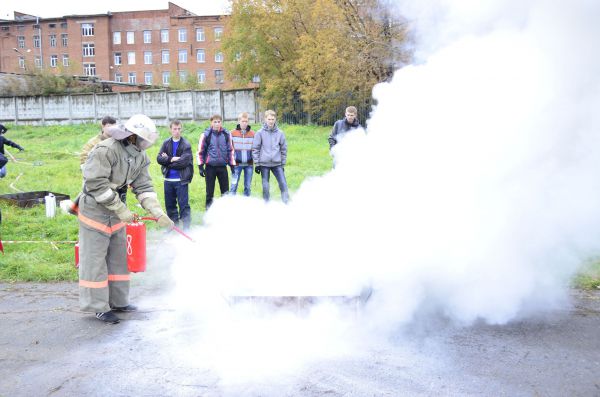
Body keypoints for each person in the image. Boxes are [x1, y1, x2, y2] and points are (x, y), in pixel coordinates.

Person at [78, 114, 174, 324]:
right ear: (132, 136)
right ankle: (98, 307)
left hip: (116, 211)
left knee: (118, 259)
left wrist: (157, 211)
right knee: (95, 261)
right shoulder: (106, 150)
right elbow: (96, 185)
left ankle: (119, 301)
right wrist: (121, 209)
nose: (147, 144)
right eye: (144, 139)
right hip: (95, 210)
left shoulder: (140, 155)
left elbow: (144, 186)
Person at [79, 116, 128, 203]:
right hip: (97, 179)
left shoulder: (118, 141)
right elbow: (84, 159)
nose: (111, 129)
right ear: (103, 126)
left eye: (114, 126)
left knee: (117, 202)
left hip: (115, 179)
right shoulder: (94, 142)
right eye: (109, 126)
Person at [156, 120, 193, 230]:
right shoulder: (166, 143)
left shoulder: (186, 145)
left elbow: (183, 163)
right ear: (170, 130)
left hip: (181, 180)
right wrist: (171, 159)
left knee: (184, 206)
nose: (177, 131)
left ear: (181, 129)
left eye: (179, 129)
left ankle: (186, 229)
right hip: (168, 180)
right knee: (170, 206)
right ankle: (174, 228)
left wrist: (167, 161)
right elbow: (158, 158)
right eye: (174, 129)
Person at [197, 114, 235, 209]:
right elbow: (200, 151)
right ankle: (208, 213)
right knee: (209, 193)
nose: (217, 124)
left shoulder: (226, 134)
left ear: (221, 122)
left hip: (222, 167)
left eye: (219, 122)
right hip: (210, 168)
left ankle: (225, 211)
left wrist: (232, 165)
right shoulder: (206, 135)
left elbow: (230, 150)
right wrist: (201, 166)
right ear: (211, 122)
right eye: (215, 122)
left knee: (225, 192)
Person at [252, 110, 289, 203]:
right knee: (265, 186)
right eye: (269, 119)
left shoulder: (280, 133)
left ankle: (286, 204)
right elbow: (255, 149)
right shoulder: (259, 133)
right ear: (265, 119)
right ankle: (266, 205)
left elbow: (283, 149)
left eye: (272, 119)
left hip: (277, 164)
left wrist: (283, 164)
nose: (271, 121)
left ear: (275, 119)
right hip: (264, 165)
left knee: (283, 184)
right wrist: (257, 164)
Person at [229, 112, 255, 196]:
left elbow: (255, 148)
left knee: (247, 186)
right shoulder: (232, 133)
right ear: (239, 121)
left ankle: (246, 205)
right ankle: (230, 204)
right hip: (236, 165)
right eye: (243, 121)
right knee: (234, 185)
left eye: (246, 121)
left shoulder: (253, 134)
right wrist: (231, 162)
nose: (244, 123)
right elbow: (229, 149)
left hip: (249, 164)